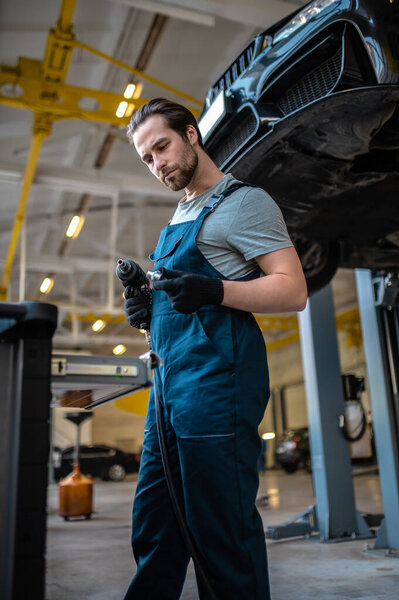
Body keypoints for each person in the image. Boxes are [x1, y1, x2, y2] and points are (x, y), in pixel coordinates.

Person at [123, 98, 307, 600]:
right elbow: (178, 307)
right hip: (168, 387)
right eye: (147, 158)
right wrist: (146, 313)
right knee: (155, 523)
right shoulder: (177, 217)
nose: (157, 163)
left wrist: (215, 291)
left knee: (220, 529)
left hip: (217, 385)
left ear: (191, 135)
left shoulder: (243, 202)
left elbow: (293, 290)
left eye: (162, 146)